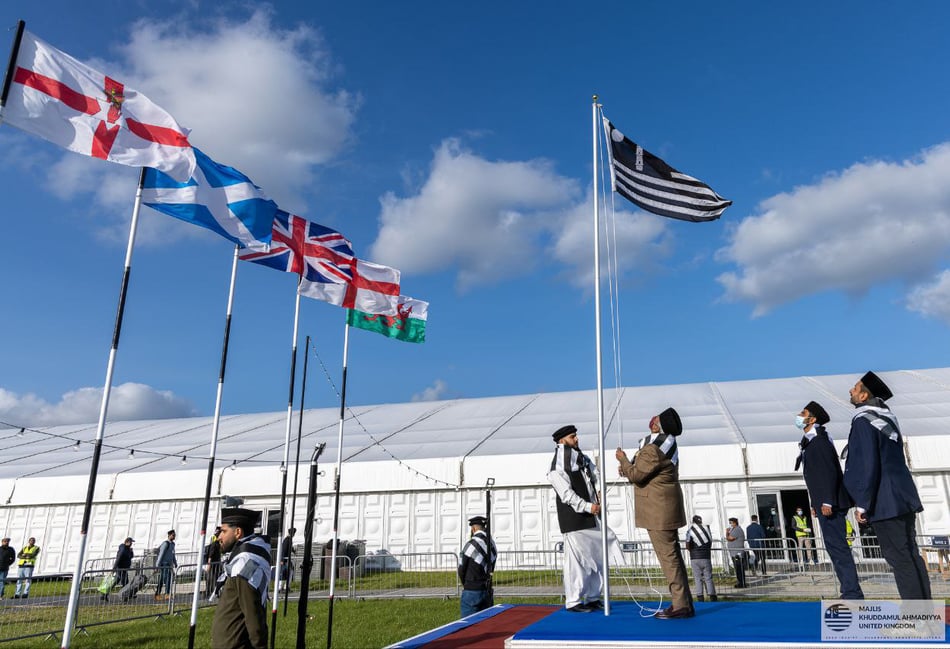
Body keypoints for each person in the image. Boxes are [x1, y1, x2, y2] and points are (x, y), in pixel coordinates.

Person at [843, 371, 932, 600]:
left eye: (855, 388)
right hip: (902, 497)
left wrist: (863, 502)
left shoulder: (864, 421)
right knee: (911, 556)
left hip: (884, 502)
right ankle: (925, 617)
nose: (851, 391)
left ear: (864, 396)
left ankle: (918, 622)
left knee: (900, 560)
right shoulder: (887, 419)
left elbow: (867, 464)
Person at [617, 407, 694, 619]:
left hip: (658, 512)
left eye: (656, 418)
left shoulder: (653, 448)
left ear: (656, 425)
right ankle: (685, 603)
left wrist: (622, 459)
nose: (652, 418)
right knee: (674, 558)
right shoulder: (667, 444)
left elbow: (637, 475)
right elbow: (642, 472)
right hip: (667, 509)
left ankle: (680, 606)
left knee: (669, 560)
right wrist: (629, 468)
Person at [794, 400, 863, 599]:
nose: (799, 415)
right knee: (834, 549)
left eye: (803, 412)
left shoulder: (820, 439)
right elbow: (815, 476)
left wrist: (827, 501)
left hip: (831, 504)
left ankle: (852, 594)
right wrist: (815, 502)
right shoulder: (810, 440)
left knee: (839, 549)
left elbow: (829, 472)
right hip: (823, 502)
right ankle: (849, 591)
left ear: (812, 419)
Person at [548, 424, 620, 613]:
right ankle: (573, 601)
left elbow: (596, 474)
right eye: (573, 437)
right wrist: (588, 506)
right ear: (562, 441)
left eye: (576, 436)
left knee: (598, 556)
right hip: (575, 519)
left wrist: (598, 491)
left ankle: (593, 596)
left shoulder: (581, 459)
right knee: (576, 561)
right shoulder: (557, 465)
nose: (577, 439)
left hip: (591, 516)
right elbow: (566, 495)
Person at [210, 507, 271, 649]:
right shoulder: (241, 560)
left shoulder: (244, 566)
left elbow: (252, 614)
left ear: (238, 532)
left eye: (224, 531)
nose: (219, 537)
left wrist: (260, 646)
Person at [457, 515, 497, 617]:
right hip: (487, 590)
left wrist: (465, 584)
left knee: (468, 625)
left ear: (473, 528)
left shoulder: (471, 545)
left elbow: (461, 568)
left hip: (471, 590)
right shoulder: (492, 545)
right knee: (486, 624)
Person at [684, 515, 717, 602]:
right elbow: (710, 543)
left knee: (697, 578)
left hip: (694, 557)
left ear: (693, 521)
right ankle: (712, 596)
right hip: (706, 557)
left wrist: (692, 550)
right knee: (708, 577)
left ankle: (700, 597)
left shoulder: (690, 531)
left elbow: (687, 545)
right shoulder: (707, 529)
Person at [154, 529, 177, 601]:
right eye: (173, 535)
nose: (174, 537)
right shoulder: (165, 544)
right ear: (169, 535)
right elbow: (161, 555)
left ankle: (159, 594)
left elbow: (173, 554)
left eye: (174, 535)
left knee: (163, 579)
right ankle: (166, 594)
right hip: (164, 564)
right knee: (167, 579)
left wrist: (175, 562)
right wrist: (157, 565)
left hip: (169, 565)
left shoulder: (173, 544)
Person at [725, 518, 746, 588]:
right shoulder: (734, 529)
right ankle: (740, 582)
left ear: (734, 523)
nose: (730, 524)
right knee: (738, 569)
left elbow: (730, 538)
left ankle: (741, 583)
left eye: (731, 523)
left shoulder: (737, 530)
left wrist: (727, 532)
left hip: (737, 553)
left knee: (739, 568)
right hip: (735, 552)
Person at [206, 526, 223, 598]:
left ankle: (215, 592)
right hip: (213, 564)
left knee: (217, 578)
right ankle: (210, 593)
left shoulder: (219, 544)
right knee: (212, 578)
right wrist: (209, 565)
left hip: (217, 564)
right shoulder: (214, 544)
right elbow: (210, 555)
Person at [279, 528, 296, 593]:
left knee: (287, 572)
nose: (294, 535)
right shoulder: (287, 540)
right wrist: (282, 559)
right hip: (286, 559)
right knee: (286, 572)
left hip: (286, 559)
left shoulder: (288, 540)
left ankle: (283, 587)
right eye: (293, 533)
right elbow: (284, 549)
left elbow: (289, 548)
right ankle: (283, 587)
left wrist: (293, 550)